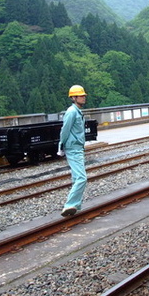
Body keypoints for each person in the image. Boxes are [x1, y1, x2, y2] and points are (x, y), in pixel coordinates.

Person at [58, 84, 88, 217]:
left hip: (78, 147)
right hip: (73, 148)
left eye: (84, 95)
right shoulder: (71, 112)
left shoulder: (77, 111)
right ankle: (70, 205)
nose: (84, 97)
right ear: (74, 97)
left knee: (77, 178)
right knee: (82, 178)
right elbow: (65, 130)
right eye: (81, 96)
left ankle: (75, 205)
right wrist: (61, 145)